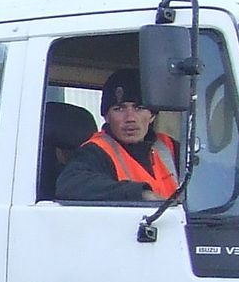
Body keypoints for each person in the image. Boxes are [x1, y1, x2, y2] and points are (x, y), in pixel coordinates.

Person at [55, 68, 180, 202]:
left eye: (139, 108)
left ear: (152, 115)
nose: (130, 118)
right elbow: (70, 185)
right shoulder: (96, 151)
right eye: (119, 109)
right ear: (106, 116)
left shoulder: (169, 147)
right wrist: (141, 194)